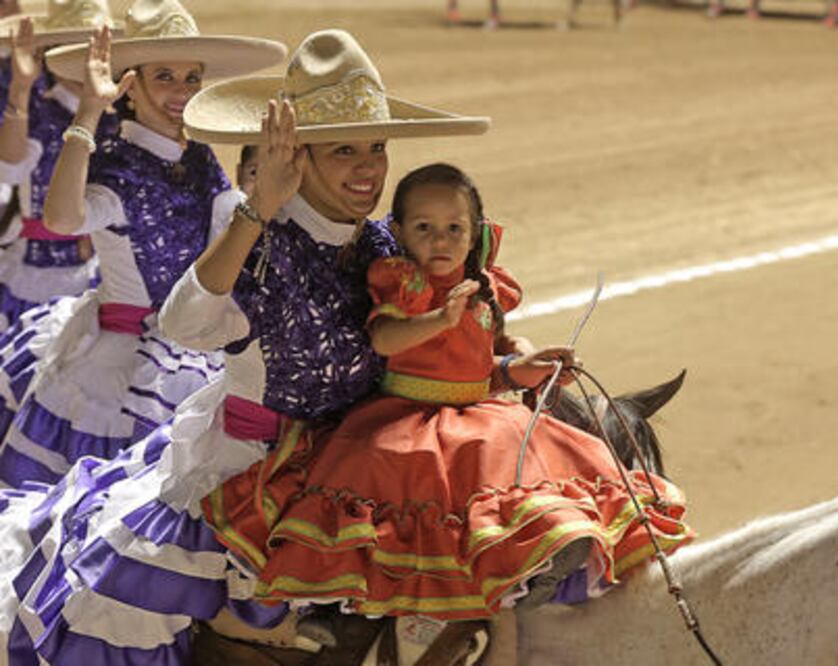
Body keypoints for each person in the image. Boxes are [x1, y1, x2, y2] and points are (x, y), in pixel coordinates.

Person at [0, 28, 489, 663]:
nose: (370, 168)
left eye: (376, 146)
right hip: (247, 477)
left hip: (348, 470)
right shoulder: (267, 243)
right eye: (344, 150)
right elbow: (182, 324)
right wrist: (256, 209)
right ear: (300, 156)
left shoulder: (381, 245)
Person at [203, 162, 694, 662]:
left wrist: (528, 368)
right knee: (412, 523)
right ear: (397, 233)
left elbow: (482, 370)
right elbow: (385, 338)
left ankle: (538, 568)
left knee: (529, 475)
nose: (440, 240)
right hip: (406, 420)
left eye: (453, 229)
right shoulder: (404, 283)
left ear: (475, 233)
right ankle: (358, 616)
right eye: (424, 228)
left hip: (475, 414)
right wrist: (440, 317)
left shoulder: (484, 292)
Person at [0, 0, 285, 488]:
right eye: (165, 77)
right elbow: (64, 218)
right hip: (121, 369)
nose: (182, 91)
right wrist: (88, 113)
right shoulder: (116, 162)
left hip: (196, 349)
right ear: (129, 84)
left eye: (192, 78)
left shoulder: (198, 157)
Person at [0, 2, 121, 332]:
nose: (88, 65)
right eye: (77, 52)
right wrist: (21, 89)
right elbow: (9, 168)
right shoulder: (39, 112)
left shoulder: (117, 124)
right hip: (29, 273)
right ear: (53, 54)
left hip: (95, 274)